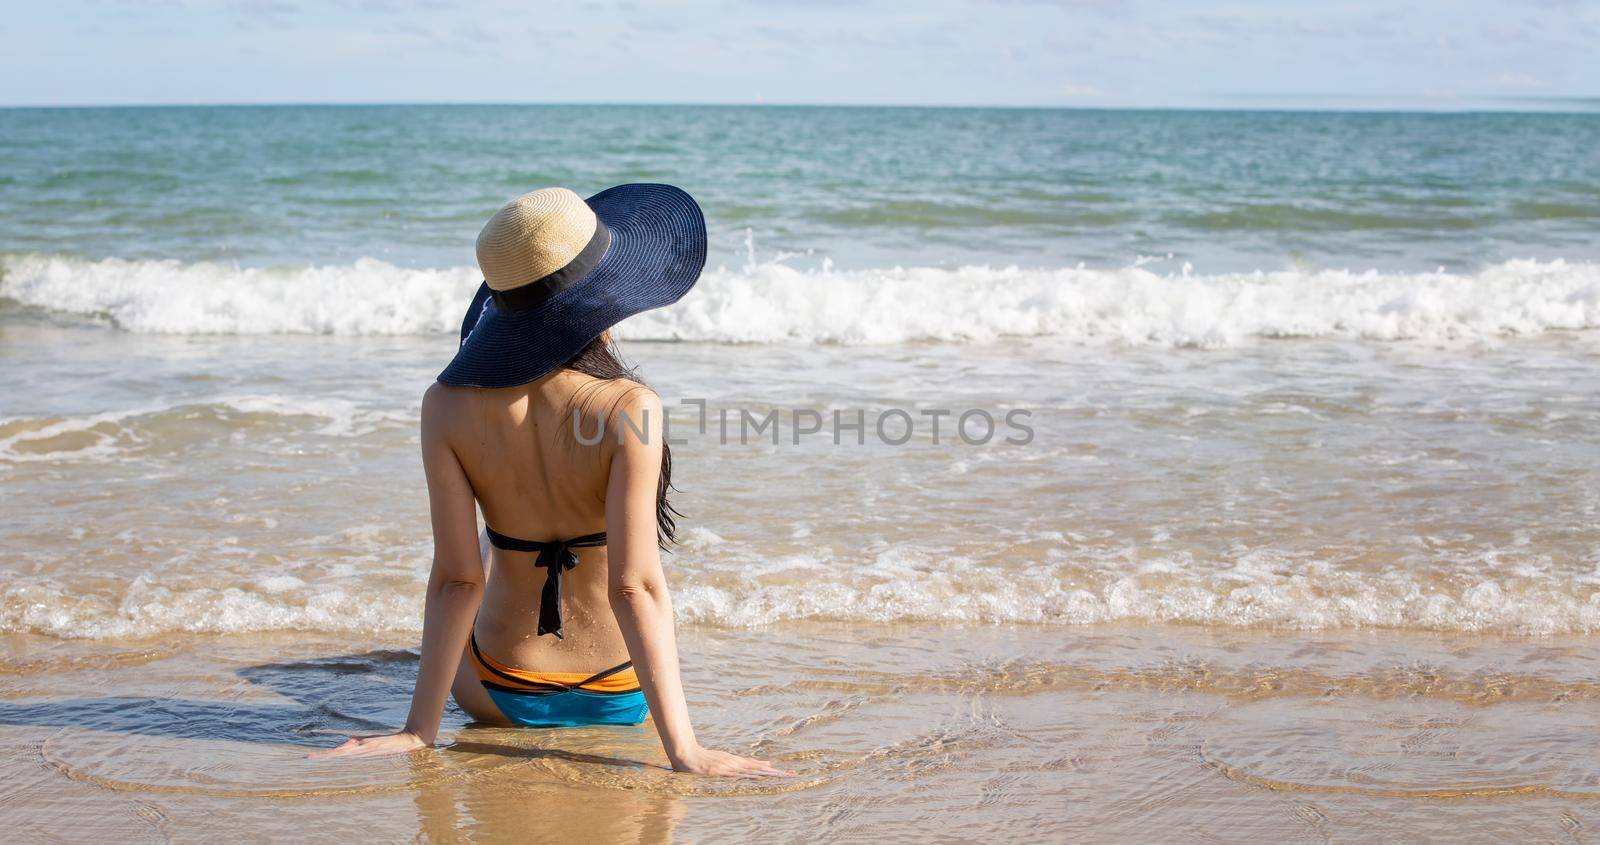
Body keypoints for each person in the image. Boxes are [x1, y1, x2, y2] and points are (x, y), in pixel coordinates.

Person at [312, 185, 792, 778]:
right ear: (608, 299)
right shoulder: (629, 407)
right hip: (620, 697)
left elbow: (456, 582)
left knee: (492, 547)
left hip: (495, 697)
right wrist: (685, 752)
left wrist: (418, 732)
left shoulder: (445, 407)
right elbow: (635, 587)